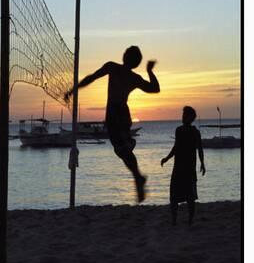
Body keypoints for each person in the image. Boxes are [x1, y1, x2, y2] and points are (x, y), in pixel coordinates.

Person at [65, 46, 160, 203]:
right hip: (120, 113)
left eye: (126, 54)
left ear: (127, 58)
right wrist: (149, 71)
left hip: (116, 113)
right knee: (121, 151)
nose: (124, 55)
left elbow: (91, 77)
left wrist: (74, 89)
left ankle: (137, 176)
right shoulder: (129, 75)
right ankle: (137, 174)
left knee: (122, 151)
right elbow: (154, 88)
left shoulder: (114, 68)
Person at [161, 106, 206, 225]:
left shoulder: (195, 132)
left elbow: (200, 149)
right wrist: (167, 158)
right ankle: (174, 220)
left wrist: (202, 163)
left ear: (191, 118)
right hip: (178, 168)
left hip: (189, 169)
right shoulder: (179, 130)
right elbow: (176, 147)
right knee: (174, 196)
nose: (183, 117)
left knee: (190, 197)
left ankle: (190, 220)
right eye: (183, 115)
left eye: (185, 115)